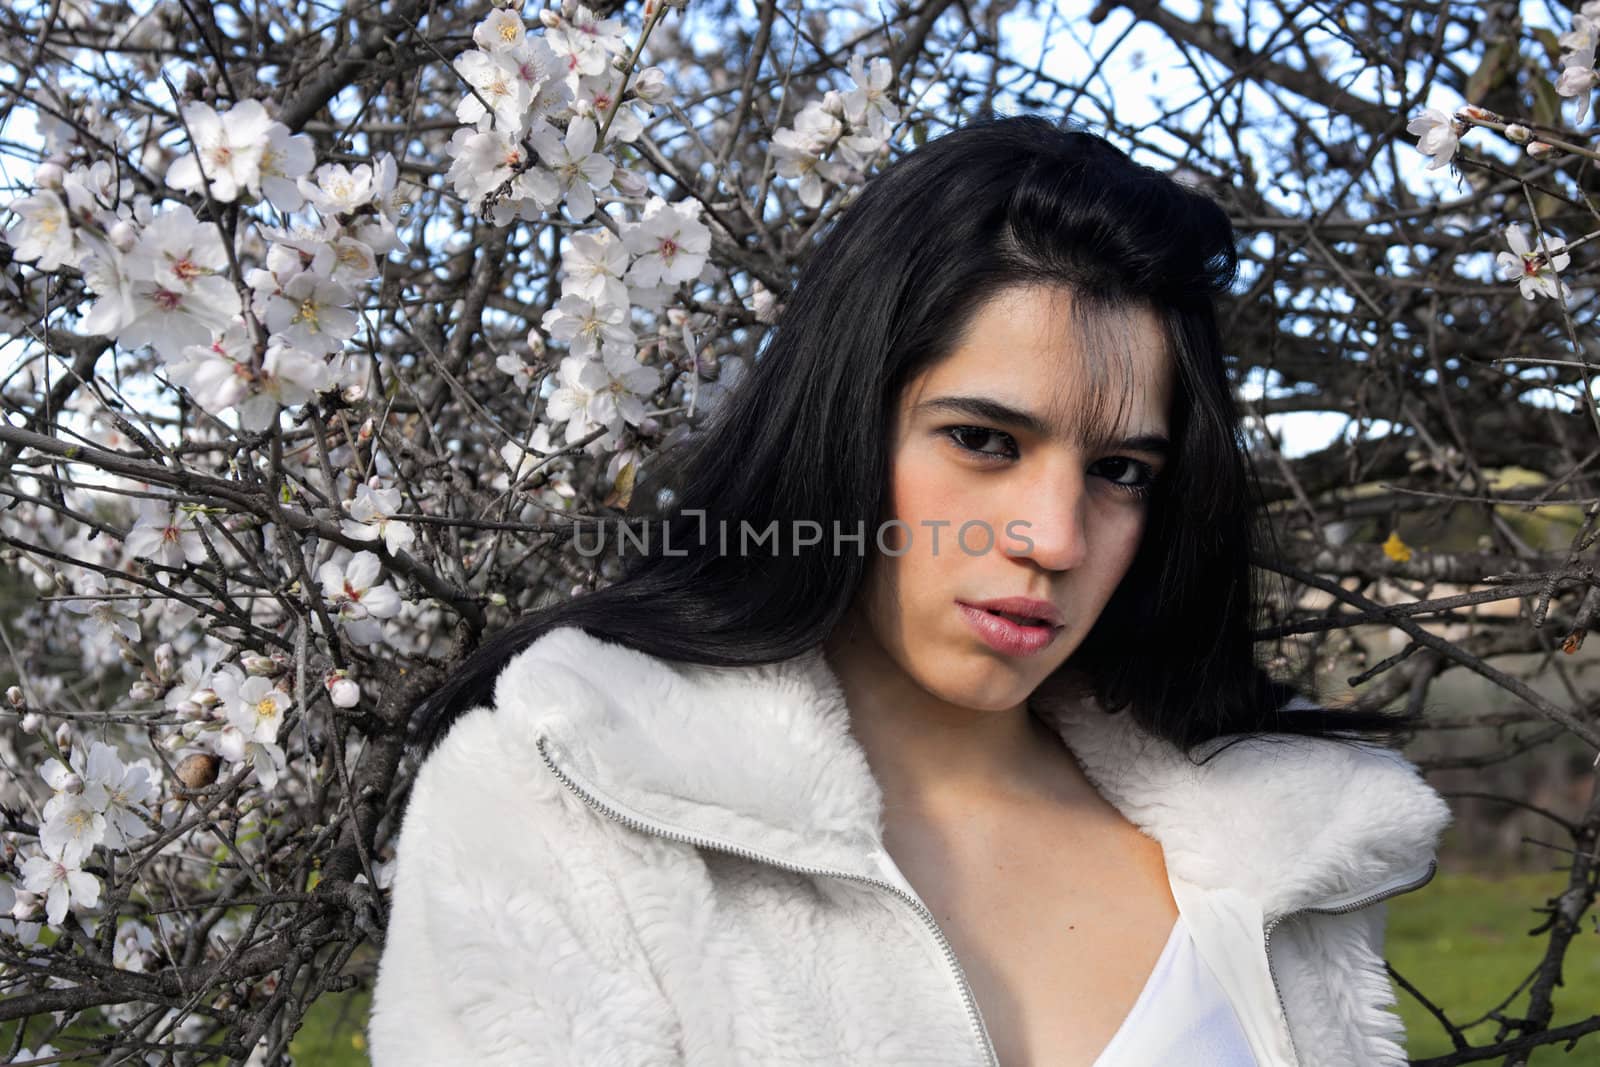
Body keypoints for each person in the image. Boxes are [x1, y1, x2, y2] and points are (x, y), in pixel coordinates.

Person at [366, 113, 1453, 1066]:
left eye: (1122, 470)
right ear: (845, 423)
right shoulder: (574, 800)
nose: (1054, 537)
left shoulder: (1268, 845)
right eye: (983, 439)